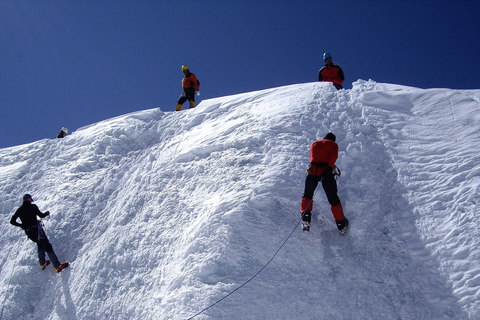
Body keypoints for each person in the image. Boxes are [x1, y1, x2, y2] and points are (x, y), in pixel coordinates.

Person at [300, 132, 348, 234]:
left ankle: (306, 220)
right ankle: (341, 225)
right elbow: (334, 156)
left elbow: (312, 158)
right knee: (333, 199)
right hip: (326, 172)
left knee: (307, 195)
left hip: (312, 171)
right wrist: (330, 167)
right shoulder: (333, 144)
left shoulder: (314, 143)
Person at [10, 194, 69, 272]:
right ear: (28, 199)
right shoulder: (33, 207)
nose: (31, 200)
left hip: (29, 232)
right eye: (31, 198)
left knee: (40, 244)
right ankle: (57, 266)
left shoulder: (19, 210)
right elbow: (41, 215)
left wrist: (22, 225)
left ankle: (42, 263)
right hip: (37, 230)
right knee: (47, 246)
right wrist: (47, 213)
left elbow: (12, 221)